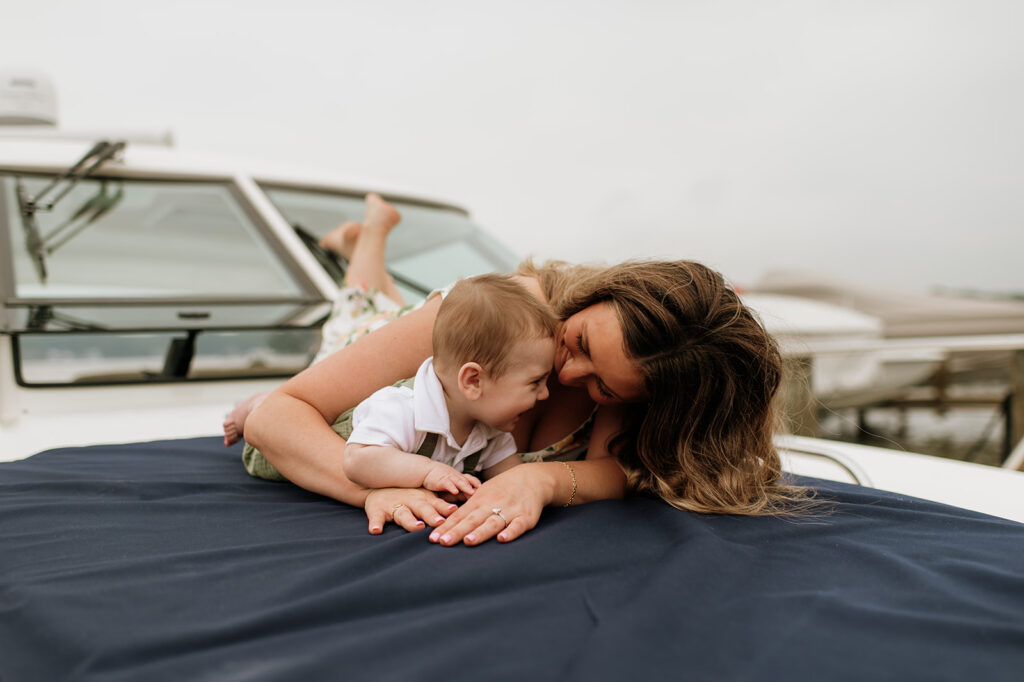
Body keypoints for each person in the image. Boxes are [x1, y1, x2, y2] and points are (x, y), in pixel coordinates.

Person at [236, 193, 810, 546]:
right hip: (400, 339)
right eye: (578, 339)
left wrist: (539, 479)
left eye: (601, 384)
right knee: (358, 312)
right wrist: (370, 491)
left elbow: (613, 469)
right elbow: (283, 415)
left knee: (379, 307)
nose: (567, 374)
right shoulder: (509, 310)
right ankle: (370, 237)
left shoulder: (634, 388)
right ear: (596, 295)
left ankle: (369, 250)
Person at [342, 273, 558, 500]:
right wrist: (428, 471)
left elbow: (515, 481)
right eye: (536, 382)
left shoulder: (490, 430)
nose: (545, 393)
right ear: (473, 381)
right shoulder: (401, 408)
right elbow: (357, 460)